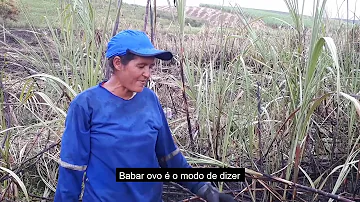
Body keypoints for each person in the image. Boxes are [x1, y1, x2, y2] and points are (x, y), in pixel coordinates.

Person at [54, 29, 237, 202]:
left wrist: (203, 188)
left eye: (151, 67)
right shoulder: (86, 105)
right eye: (141, 66)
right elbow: (72, 169)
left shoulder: (149, 99)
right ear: (118, 63)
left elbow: (169, 156)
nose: (148, 74)